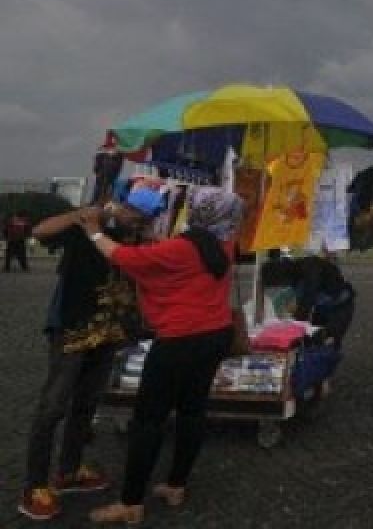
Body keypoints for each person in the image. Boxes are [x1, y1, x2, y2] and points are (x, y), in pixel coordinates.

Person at [81, 187, 243, 525]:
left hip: (179, 340)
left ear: (196, 211)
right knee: (192, 411)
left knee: (148, 420)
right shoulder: (226, 244)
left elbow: (120, 256)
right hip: (215, 335)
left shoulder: (180, 249)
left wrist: (93, 228)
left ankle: (131, 502)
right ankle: (176, 484)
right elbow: (168, 257)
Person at [18, 189, 160, 522]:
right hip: (72, 329)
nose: (138, 223)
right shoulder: (87, 224)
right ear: (121, 206)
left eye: (144, 219)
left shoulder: (135, 235)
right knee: (52, 407)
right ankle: (34, 486)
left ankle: (68, 470)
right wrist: (81, 215)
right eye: (135, 216)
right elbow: (38, 231)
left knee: (87, 402)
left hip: (109, 331)